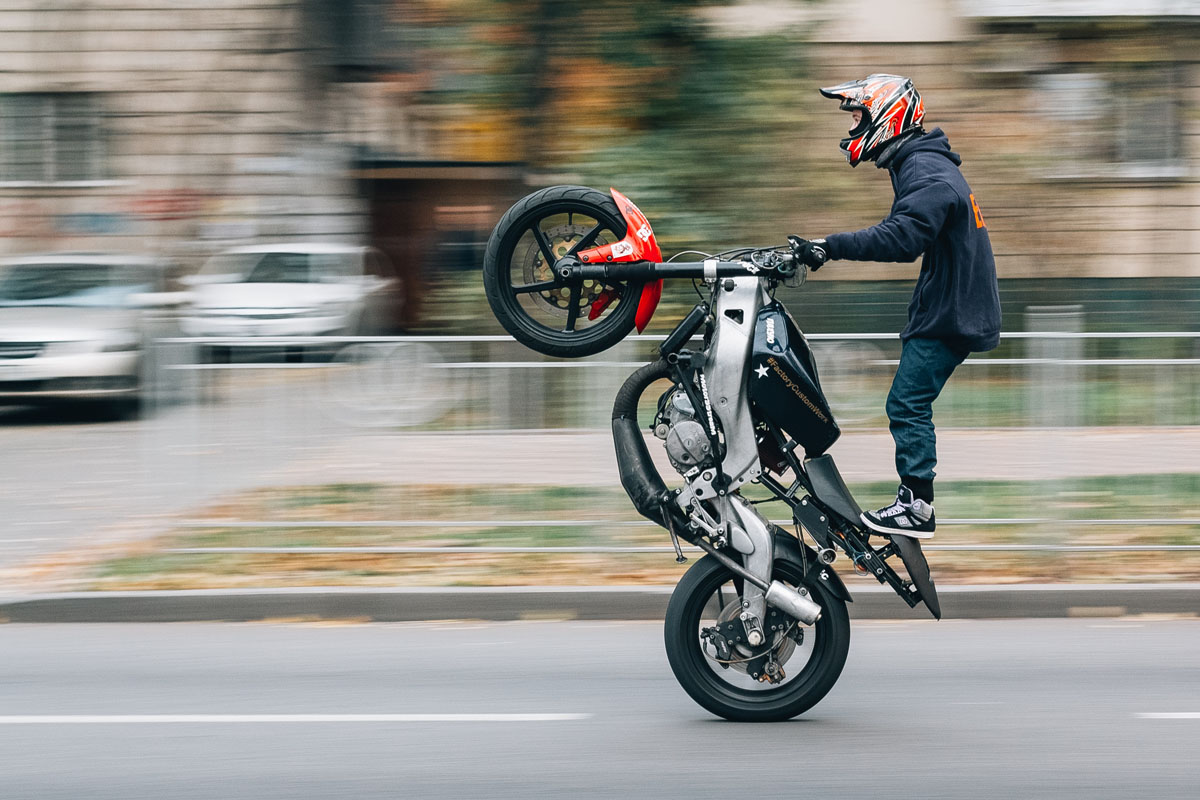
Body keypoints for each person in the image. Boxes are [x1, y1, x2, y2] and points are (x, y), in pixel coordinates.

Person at [789, 74, 1001, 539]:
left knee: (906, 403)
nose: (852, 127)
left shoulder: (925, 170)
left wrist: (829, 246)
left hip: (953, 313)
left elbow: (902, 237)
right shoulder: (920, 163)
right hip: (952, 305)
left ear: (888, 116)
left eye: (858, 115)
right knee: (907, 402)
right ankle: (915, 502)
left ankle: (917, 507)